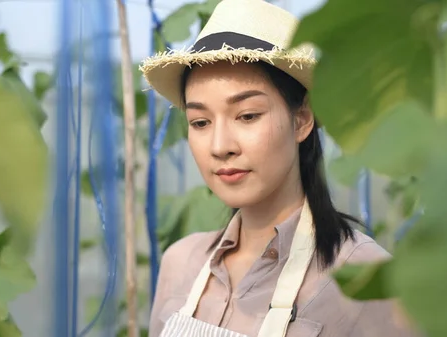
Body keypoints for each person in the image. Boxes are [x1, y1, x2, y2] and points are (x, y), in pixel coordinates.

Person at [139, 0, 420, 336]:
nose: (220, 146)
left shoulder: (364, 279)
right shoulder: (181, 262)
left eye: (247, 116)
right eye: (200, 122)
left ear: (301, 120)